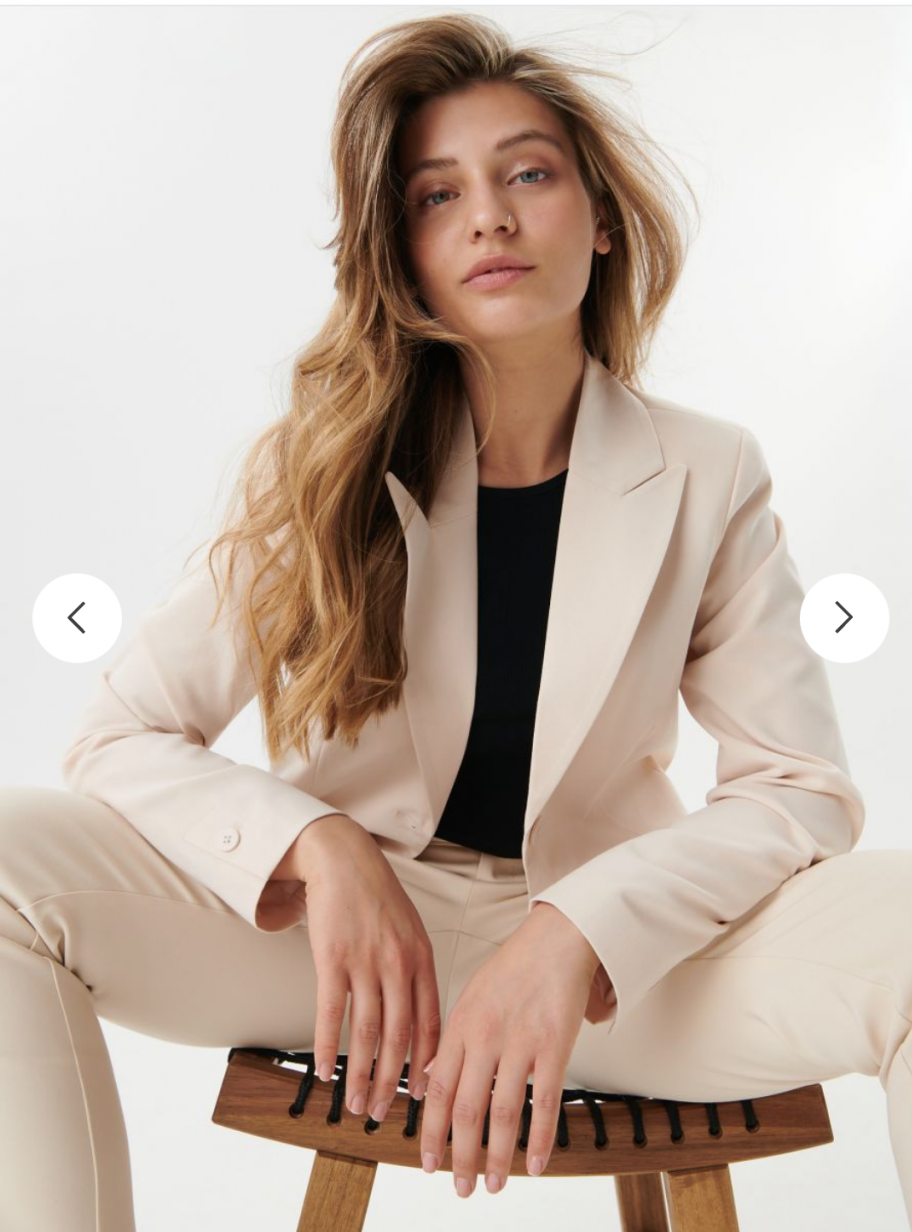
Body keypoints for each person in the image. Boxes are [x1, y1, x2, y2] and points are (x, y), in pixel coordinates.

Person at [3, 12, 911, 1227]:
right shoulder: (321, 464)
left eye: (527, 174)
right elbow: (120, 734)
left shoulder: (710, 471)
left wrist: (580, 926)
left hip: (622, 972)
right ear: (406, 253)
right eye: (438, 196)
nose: (488, 217)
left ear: (601, 219)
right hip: (350, 955)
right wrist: (318, 845)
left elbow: (798, 790)